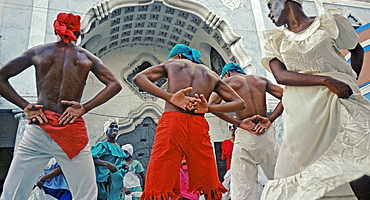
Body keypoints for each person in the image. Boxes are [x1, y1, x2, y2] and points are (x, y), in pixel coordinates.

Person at [261, 0, 370, 199]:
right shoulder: (276, 40)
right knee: (306, 167)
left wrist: (350, 80)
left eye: (271, 6)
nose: (269, 14)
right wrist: (326, 80)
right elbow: (281, 76)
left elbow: (356, 50)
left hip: (340, 101)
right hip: (303, 111)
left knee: (359, 155)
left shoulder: (328, 23)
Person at [0, 12, 122, 200]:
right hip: (70, 129)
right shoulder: (86, 58)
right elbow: (115, 84)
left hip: (40, 128)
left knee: (14, 191)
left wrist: (24, 105)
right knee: (86, 194)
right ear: (79, 33)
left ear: (56, 28)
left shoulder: (39, 52)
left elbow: (1, 77)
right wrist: (84, 108)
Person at [133, 44, 245, 200]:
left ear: (178, 56)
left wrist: (170, 97)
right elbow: (239, 103)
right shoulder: (210, 74)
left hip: (173, 122)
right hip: (198, 125)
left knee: (159, 178)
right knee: (209, 182)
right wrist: (208, 108)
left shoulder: (174, 64)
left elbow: (139, 78)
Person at [209, 62, 283, 200]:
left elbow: (211, 106)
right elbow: (287, 95)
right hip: (265, 132)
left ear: (227, 73)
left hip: (246, 134)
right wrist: (270, 119)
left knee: (243, 184)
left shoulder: (227, 82)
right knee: (279, 177)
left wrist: (238, 123)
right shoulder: (260, 80)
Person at [92, 121, 128, 200]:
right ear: (106, 130)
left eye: (116, 127)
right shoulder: (102, 145)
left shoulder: (118, 147)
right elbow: (92, 159)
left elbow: (116, 162)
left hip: (115, 180)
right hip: (103, 180)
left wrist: (123, 165)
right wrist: (107, 164)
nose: (114, 128)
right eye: (111, 126)